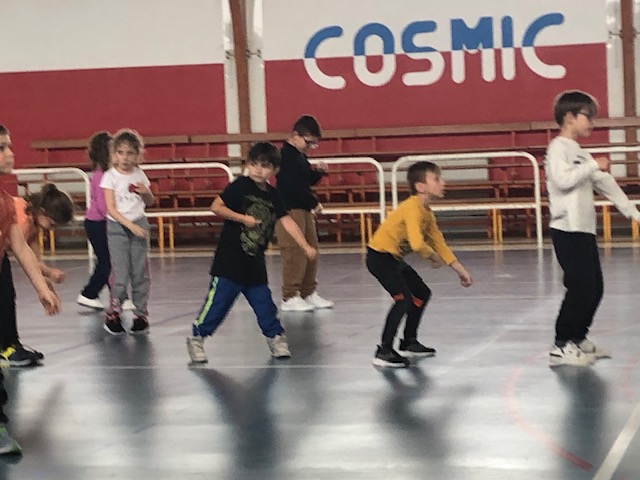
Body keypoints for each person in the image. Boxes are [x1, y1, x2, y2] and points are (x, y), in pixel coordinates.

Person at [186, 142, 317, 364]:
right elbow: (216, 206)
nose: (258, 170)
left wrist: (305, 246)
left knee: (265, 306)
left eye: (265, 166)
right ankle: (197, 338)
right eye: (254, 164)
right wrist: (243, 219)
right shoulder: (240, 186)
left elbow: (287, 221)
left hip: (254, 263)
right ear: (247, 164)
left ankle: (275, 337)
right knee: (217, 305)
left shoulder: (274, 195)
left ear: (275, 170)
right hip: (229, 263)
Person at [545, 90, 640, 367]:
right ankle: (560, 346)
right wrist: (591, 165)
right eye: (588, 117)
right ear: (569, 117)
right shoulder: (558, 148)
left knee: (595, 287)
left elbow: (606, 183)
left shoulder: (579, 152)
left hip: (584, 230)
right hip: (566, 229)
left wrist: (633, 212)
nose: (592, 123)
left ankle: (578, 338)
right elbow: (562, 180)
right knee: (580, 287)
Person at [367, 161, 473, 368]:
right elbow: (417, 244)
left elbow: (439, 243)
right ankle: (384, 350)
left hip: (393, 259)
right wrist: (432, 257)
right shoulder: (412, 207)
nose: (443, 183)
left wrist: (461, 271)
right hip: (379, 257)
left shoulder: (427, 213)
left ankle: (408, 341)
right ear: (420, 186)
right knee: (403, 299)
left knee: (421, 293)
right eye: (437, 179)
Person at [0, 124, 61, 454]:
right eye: (2, 148)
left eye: (9, 146)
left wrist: (42, 288)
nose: (11, 153)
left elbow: (20, 248)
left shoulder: (6, 203)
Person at [1, 184, 74, 366]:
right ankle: (6, 347)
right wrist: (48, 274)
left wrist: (46, 287)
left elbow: (31, 259)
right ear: (42, 212)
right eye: (52, 223)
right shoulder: (21, 216)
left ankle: (11, 345)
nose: (51, 229)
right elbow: (19, 251)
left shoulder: (32, 223)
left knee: (7, 297)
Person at [274, 115, 333, 312]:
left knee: (311, 250)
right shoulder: (285, 157)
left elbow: (305, 180)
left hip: (303, 209)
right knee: (294, 252)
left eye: (314, 144)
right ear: (295, 135)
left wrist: (319, 172)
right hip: (289, 210)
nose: (310, 147)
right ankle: (290, 296)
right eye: (308, 142)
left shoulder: (299, 156)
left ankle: (308, 292)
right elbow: (292, 188)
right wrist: (313, 202)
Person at [100, 128, 154, 335]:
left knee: (140, 272)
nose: (125, 157)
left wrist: (146, 193)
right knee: (120, 273)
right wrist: (130, 226)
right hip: (118, 227)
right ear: (114, 154)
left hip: (139, 223)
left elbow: (149, 201)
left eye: (130, 153)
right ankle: (114, 311)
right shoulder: (110, 177)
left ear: (137, 154)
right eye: (121, 152)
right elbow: (111, 208)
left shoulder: (139, 174)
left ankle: (140, 314)